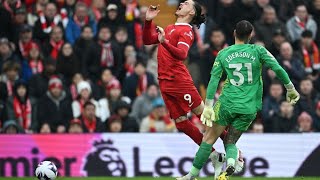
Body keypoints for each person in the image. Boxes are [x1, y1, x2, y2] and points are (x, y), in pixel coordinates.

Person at [177, 20, 300, 180]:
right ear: (251, 34)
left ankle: (191, 175)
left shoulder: (224, 53)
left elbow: (214, 80)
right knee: (231, 141)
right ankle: (230, 163)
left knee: (208, 138)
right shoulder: (259, 51)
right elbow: (277, 68)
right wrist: (290, 88)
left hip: (227, 104)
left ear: (234, 33)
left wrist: (208, 105)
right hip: (248, 108)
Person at [142, 1, 226, 177]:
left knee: (205, 117)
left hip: (179, 80)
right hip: (164, 81)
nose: (181, 3)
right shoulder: (170, 27)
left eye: (186, 3)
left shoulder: (186, 30)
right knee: (181, 123)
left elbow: (182, 54)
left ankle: (233, 149)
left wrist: (164, 42)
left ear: (191, 12)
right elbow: (147, 40)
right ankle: (214, 155)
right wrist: (148, 21)